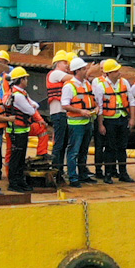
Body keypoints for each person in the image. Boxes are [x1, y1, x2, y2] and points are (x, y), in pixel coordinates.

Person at [4, 66, 40, 193]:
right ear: (21, 80)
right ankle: (14, 183)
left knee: (19, 158)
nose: (27, 80)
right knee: (16, 158)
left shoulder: (19, 93)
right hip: (17, 131)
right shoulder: (18, 96)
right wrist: (32, 106)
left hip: (21, 131)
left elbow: (35, 105)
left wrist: (32, 106)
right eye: (25, 78)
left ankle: (19, 181)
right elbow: (31, 110)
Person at [62, 57, 94, 187]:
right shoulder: (69, 86)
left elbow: (91, 99)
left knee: (83, 150)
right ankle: (73, 177)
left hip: (88, 121)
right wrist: (81, 112)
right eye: (84, 69)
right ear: (77, 71)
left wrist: (95, 108)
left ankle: (83, 175)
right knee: (74, 151)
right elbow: (65, 104)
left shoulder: (86, 84)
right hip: (76, 124)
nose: (86, 70)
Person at [97, 58, 130, 183]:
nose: (118, 72)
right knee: (110, 148)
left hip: (122, 118)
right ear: (109, 73)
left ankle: (123, 173)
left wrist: (131, 118)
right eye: (115, 71)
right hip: (109, 120)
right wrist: (101, 125)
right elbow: (99, 107)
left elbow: (131, 100)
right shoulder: (101, 86)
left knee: (122, 147)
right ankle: (108, 174)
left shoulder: (124, 83)